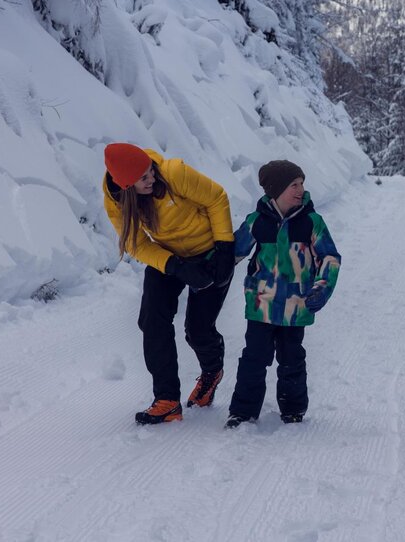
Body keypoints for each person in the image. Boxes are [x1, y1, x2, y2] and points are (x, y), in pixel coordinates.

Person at [102, 143, 236, 425]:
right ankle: (167, 400)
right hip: (169, 256)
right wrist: (174, 266)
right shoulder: (116, 201)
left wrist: (224, 248)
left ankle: (212, 371)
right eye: (143, 180)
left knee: (198, 330)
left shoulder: (172, 173)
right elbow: (136, 243)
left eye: (150, 172)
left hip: (210, 252)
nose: (152, 179)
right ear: (126, 187)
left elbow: (216, 198)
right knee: (152, 320)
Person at [225, 160, 341, 428]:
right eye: (294, 185)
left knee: (292, 358)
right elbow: (233, 252)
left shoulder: (312, 222)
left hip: (296, 305)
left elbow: (330, 257)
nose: (301, 189)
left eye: (302, 184)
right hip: (261, 303)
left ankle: (293, 409)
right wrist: (207, 272)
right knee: (254, 358)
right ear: (275, 190)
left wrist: (322, 289)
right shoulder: (257, 222)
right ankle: (242, 411)